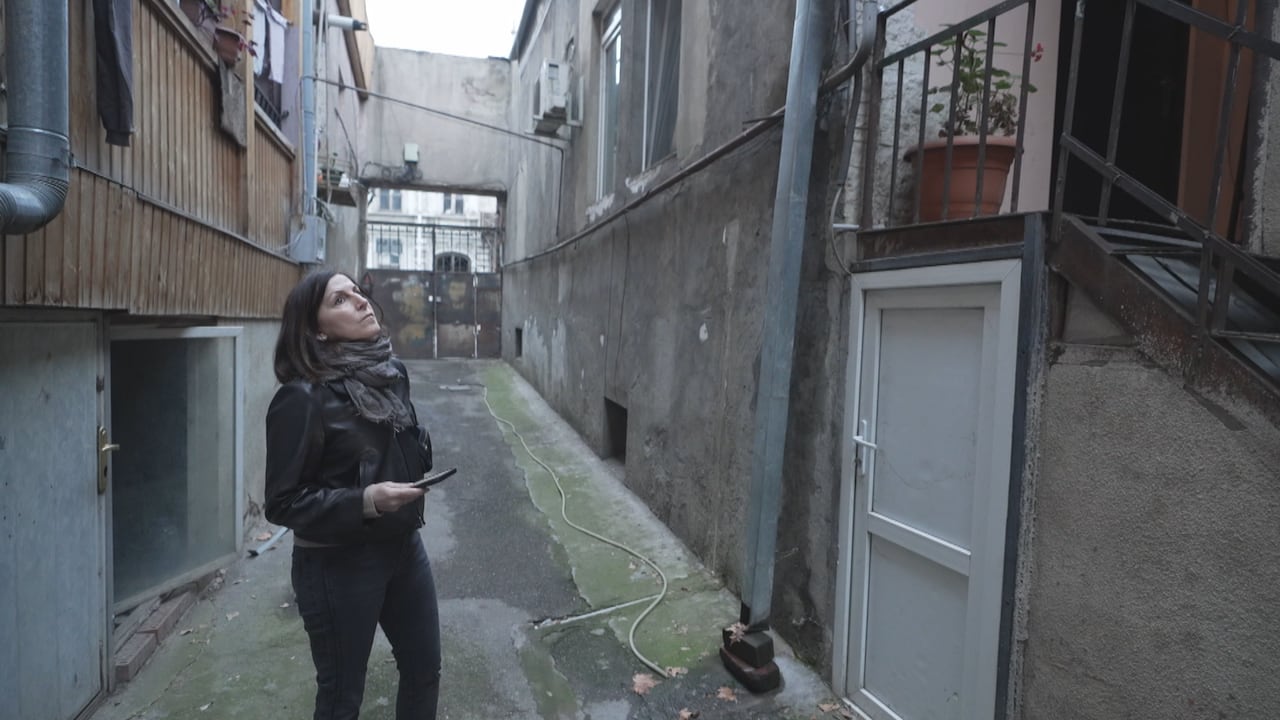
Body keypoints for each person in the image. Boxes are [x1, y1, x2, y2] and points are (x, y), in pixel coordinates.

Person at [265, 270, 440, 720]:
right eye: (341, 299)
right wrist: (367, 500)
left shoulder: (389, 373)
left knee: (424, 672)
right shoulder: (301, 398)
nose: (361, 302)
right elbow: (283, 503)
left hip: (402, 547)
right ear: (316, 328)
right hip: (336, 564)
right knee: (342, 698)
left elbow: (399, 449)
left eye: (358, 293)